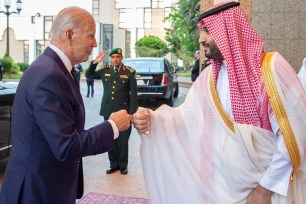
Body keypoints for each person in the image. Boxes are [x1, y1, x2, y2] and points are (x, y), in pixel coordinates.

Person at [132, 2, 306, 204]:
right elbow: (187, 119)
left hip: (268, 193)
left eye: (208, 30)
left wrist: (265, 189)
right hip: (218, 191)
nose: (201, 39)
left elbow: (294, 136)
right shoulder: (208, 78)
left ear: (229, 30)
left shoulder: (272, 69)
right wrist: (153, 120)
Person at [0, 7, 132, 204]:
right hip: (38, 192)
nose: (95, 43)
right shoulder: (49, 74)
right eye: (91, 36)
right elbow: (66, 146)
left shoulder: (54, 68)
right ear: (69, 34)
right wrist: (112, 126)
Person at [86, 48, 138, 175]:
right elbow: (89, 75)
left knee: (123, 140)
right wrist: (95, 62)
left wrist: (131, 113)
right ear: (110, 58)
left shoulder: (130, 72)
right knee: (111, 138)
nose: (115, 59)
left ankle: (123, 165)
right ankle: (113, 164)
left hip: (124, 111)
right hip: (108, 111)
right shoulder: (105, 70)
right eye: (113, 57)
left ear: (121, 58)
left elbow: (134, 94)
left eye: (118, 57)